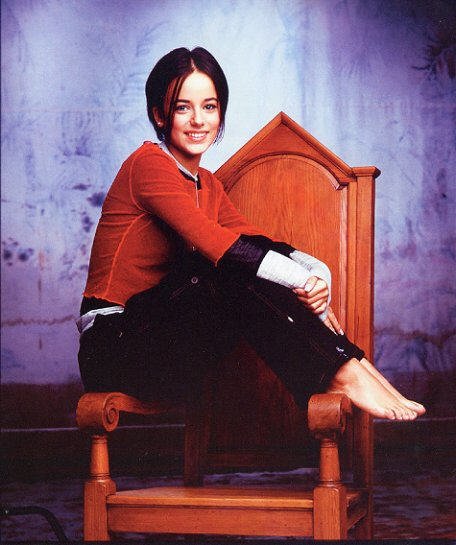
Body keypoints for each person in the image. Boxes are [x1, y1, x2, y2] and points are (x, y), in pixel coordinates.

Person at [78, 47, 425, 421]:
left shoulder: (207, 184)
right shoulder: (147, 164)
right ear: (159, 115)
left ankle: (347, 363)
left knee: (249, 265)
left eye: (209, 107)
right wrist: (303, 283)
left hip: (166, 346)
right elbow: (220, 246)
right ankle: (342, 370)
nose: (198, 120)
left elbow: (259, 243)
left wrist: (318, 277)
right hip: (114, 346)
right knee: (226, 267)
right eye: (182, 108)